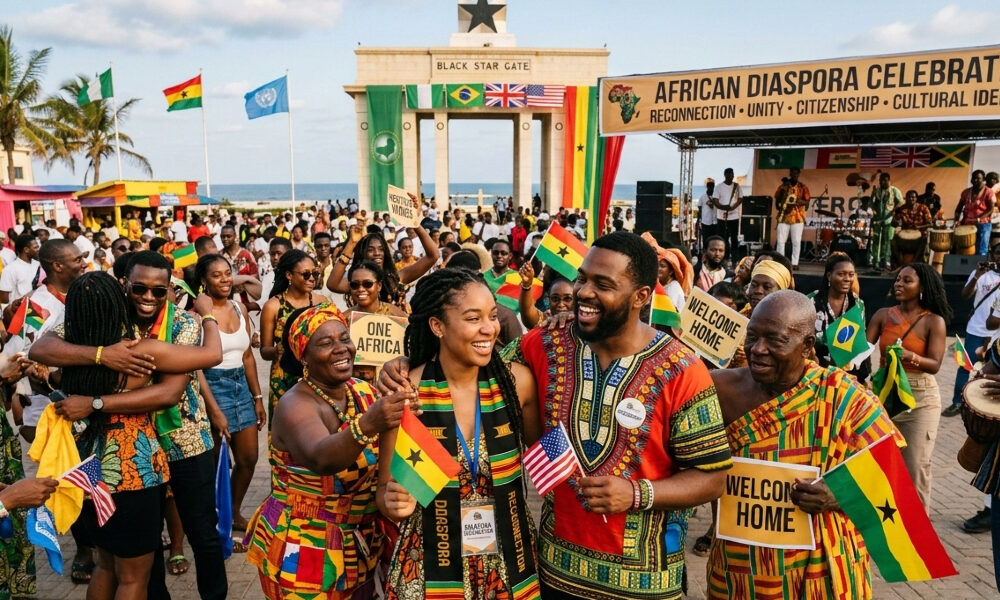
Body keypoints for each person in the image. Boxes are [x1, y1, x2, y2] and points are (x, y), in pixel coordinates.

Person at [501, 232, 731, 600]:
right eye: (582, 279)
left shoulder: (681, 368)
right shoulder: (545, 342)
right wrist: (408, 364)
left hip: (645, 583)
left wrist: (637, 493)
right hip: (555, 571)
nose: (583, 292)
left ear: (641, 296)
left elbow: (712, 479)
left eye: (602, 284)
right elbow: (480, 371)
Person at [708, 291, 901, 600]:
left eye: (776, 340)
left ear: (808, 346)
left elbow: (892, 472)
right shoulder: (718, 388)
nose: (758, 350)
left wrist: (839, 496)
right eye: (752, 336)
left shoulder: (844, 398)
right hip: (739, 568)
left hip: (821, 571)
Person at [33, 271, 215, 599]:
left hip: (85, 471)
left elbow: (39, 350)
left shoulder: (68, 358)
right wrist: (210, 316)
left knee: (105, 565)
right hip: (132, 472)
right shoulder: (137, 351)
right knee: (133, 579)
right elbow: (210, 356)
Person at [377, 268, 542, 600]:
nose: (489, 328)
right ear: (437, 325)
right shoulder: (407, 391)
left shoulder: (518, 383)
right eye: (473, 318)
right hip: (429, 563)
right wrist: (392, 502)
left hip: (508, 558)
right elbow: (384, 490)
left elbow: (541, 453)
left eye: (493, 316)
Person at [245, 303, 408, 599]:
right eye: (325, 342)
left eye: (344, 338)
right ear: (303, 356)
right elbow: (322, 457)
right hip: (306, 548)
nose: (341, 349)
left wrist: (406, 408)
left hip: (360, 542)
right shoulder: (294, 405)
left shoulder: (361, 390)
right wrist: (370, 423)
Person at [867, 263, 950, 510]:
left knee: (915, 467)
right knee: (880, 463)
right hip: (884, 394)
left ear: (922, 287)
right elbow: (861, 349)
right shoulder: (883, 314)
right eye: (898, 279)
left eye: (907, 280)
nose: (899, 284)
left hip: (920, 398)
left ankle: (917, 532)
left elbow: (934, 364)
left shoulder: (934, 322)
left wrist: (910, 356)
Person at [195, 254, 264, 543]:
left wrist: (258, 397)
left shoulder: (239, 306)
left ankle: (233, 511)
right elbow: (195, 365)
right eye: (216, 275)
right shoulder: (197, 315)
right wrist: (212, 409)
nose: (224, 279)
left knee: (248, 459)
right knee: (213, 466)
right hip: (211, 387)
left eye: (227, 273)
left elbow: (247, 356)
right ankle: (211, 522)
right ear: (203, 281)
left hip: (240, 388)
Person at [260, 249, 321, 424]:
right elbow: (264, 351)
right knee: (286, 432)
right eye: (306, 274)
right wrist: (283, 349)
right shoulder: (273, 306)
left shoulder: (321, 302)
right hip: (284, 378)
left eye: (315, 274)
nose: (311, 278)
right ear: (289, 275)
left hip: (316, 377)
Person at [946, 244, 1000, 418]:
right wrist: (976, 276)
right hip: (977, 329)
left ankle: (983, 405)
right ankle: (957, 402)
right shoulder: (983, 275)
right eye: (998, 253)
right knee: (965, 367)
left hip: (996, 335)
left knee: (991, 369)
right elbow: (965, 294)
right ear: (992, 254)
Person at [808, 253, 871, 384]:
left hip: (846, 376)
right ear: (829, 276)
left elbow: (860, 339)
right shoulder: (811, 301)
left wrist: (865, 376)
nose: (847, 279)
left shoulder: (857, 304)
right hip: (815, 372)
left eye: (851, 274)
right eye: (841, 274)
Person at [517, 261, 574, 329]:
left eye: (567, 299)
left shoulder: (584, 322)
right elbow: (527, 314)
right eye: (555, 299)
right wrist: (526, 285)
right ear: (548, 300)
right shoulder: (545, 321)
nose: (561, 304)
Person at [773, 167, 810, 269]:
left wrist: (799, 201)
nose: (794, 175)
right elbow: (777, 201)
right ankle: (780, 262)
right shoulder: (783, 187)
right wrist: (781, 206)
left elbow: (807, 202)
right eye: (792, 174)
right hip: (784, 216)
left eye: (796, 174)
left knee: (796, 241)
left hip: (798, 218)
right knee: (780, 241)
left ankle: (794, 263)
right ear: (790, 174)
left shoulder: (803, 187)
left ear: (798, 174)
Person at [219, 224, 262, 311]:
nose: (225, 239)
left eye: (228, 236)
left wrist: (243, 283)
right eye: (223, 237)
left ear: (235, 236)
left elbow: (255, 277)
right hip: (224, 300)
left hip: (245, 302)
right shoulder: (219, 256)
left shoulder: (246, 254)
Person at [955, 169, 997, 256]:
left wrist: (979, 219)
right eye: (973, 178)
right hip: (967, 224)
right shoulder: (965, 192)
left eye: (978, 178)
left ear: (983, 179)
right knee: (965, 251)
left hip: (983, 224)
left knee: (981, 251)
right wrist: (956, 219)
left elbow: (990, 209)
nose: (975, 180)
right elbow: (958, 208)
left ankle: (981, 268)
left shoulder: (989, 192)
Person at [869, 171, 902, 271]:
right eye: (880, 181)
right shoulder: (876, 191)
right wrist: (873, 213)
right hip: (877, 220)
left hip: (889, 220)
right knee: (876, 241)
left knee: (887, 241)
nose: (882, 182)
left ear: (889, 181)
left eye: (885, 180)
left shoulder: (894, 190)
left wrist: (894, 211)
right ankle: (876, 262)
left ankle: (886, 262)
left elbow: (900, 202)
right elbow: (871, 202)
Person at [892, 189, 933, 265]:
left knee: (924, 240)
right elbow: (893, 223)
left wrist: (920, 227)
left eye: (913, 197)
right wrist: (894, 217)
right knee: (893, 241)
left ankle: (915, 261)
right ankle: (900, 264)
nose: (911, 199)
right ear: (906, 198)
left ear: (916, 198)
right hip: (906, 234)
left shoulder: (923, 208)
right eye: (909, 197)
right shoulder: (901, 209)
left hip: (920, 234)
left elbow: (930, 223)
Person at [712, 168, 743, 258]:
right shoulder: (718, 187)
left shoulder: (737, 187)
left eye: (732, 174)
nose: (731, 176)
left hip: (734, 217)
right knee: (722, 239)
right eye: (729, 174)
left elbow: (740, 198)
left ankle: (734, 258)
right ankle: (724, 257)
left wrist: (733, 207)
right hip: (722, 217)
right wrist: (723, 207)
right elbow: (715, 200)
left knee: (734, 238)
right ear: (725, 175)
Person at [0, 234, 40, 304]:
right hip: (19, 311)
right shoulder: (10, 269)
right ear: (26, 250)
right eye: (35, 247)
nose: (38, 250)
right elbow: (4, 299)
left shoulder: (38, 265)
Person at [698, 178, 718, 243]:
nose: (711, 189)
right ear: (707, 187)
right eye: (709, 187)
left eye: (712, 187)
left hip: (715, 221)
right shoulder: (703, 197)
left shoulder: (716, 197)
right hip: (705, 221)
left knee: (714, 239)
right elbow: (699, 208)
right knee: (706, 239)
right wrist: (700, 219)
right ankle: (705, 251)